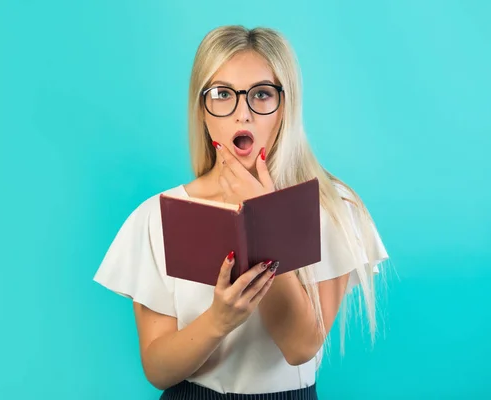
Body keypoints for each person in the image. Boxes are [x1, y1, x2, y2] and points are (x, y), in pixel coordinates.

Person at [93, 25, 389, 399]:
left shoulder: (333, 209)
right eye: (222, 95)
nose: (242, 114)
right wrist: (219, 320)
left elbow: (300, 347)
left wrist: (263, 217)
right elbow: (158, 368)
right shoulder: (156, 217)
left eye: (262, 95)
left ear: (285, 108)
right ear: (202, 110)